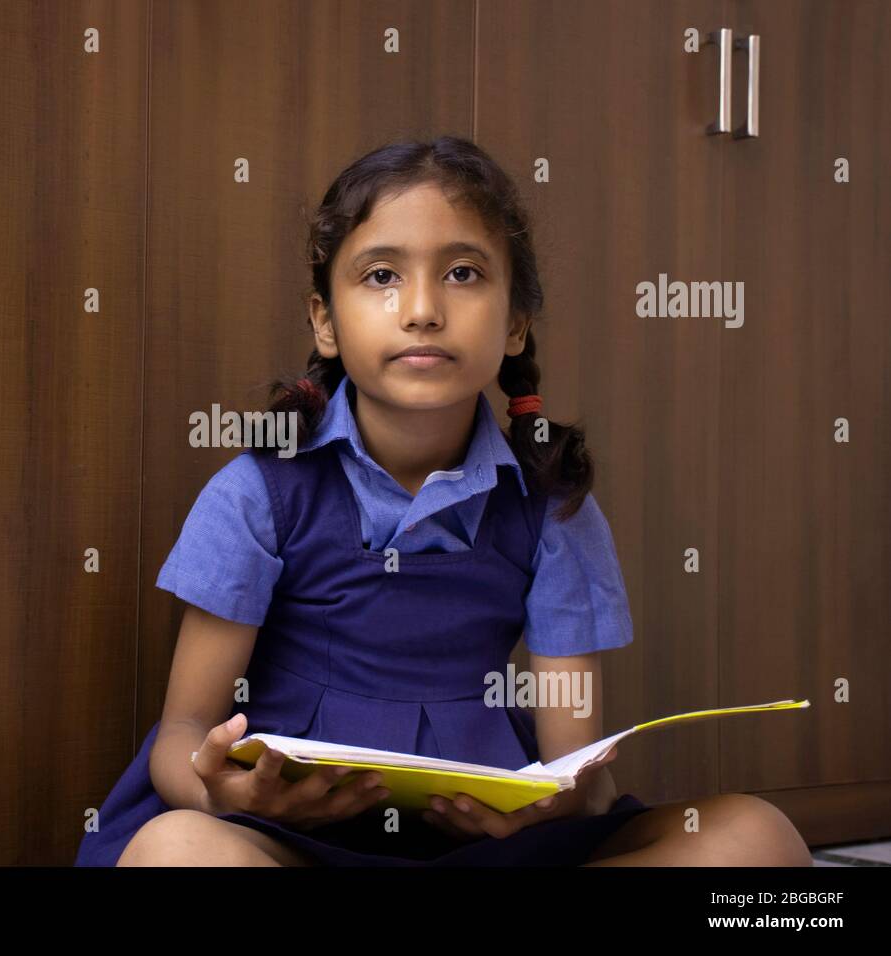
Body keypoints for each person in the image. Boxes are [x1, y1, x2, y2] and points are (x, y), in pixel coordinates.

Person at [74, 136, 812, 867]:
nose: (422, 309)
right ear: (324, 321)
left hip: (479, 852)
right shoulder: (257, 493)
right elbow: (181, 735)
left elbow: (578, 771)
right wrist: (225, 799)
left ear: (516, 321)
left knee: (757, 840)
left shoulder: (553, 509)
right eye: (381, 276)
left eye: (463, 273)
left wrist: (560, 802)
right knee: (179, 853)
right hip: (286, 843)